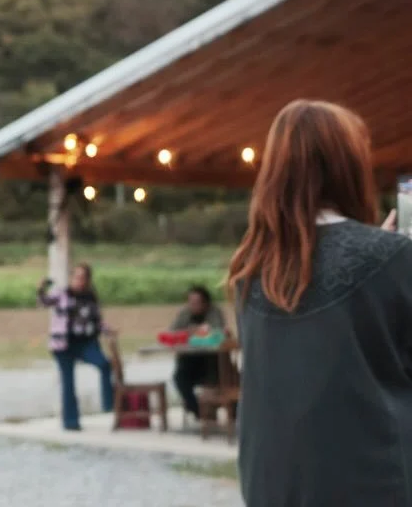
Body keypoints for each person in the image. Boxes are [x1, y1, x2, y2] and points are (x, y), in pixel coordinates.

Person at [228, 99, 412, 506]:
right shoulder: (392, 257)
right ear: (348, 166)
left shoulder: (250, 268)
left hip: (272, 483)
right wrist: (390, 253)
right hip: (371, 481)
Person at [38, 263, 115, 431]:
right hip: (63, 345)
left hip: (85, 343)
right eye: (77, 277)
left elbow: (97, 320)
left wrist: (108, 330)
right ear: (72, 278)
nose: (79, 281)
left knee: (104, 364)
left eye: (83, 278)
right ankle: (71, 422)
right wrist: (42, 288)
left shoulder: (90, 298)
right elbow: (44, 302)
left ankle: (109, 405)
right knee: (68, 383)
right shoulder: (62, 294)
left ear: (87, 280)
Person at [168, 285, 226, 419]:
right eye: (191, 302)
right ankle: (198, 411)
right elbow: (173, 332)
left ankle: (210, 411)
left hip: (211, 361)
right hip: (189, 360)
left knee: (219, 379)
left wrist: (198, 331)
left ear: (206, 303)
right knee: (179, 377)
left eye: (197, 303)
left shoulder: (214, 312)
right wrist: (190, 331)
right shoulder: (185, 313)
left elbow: (218, 333)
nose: (193, 306)